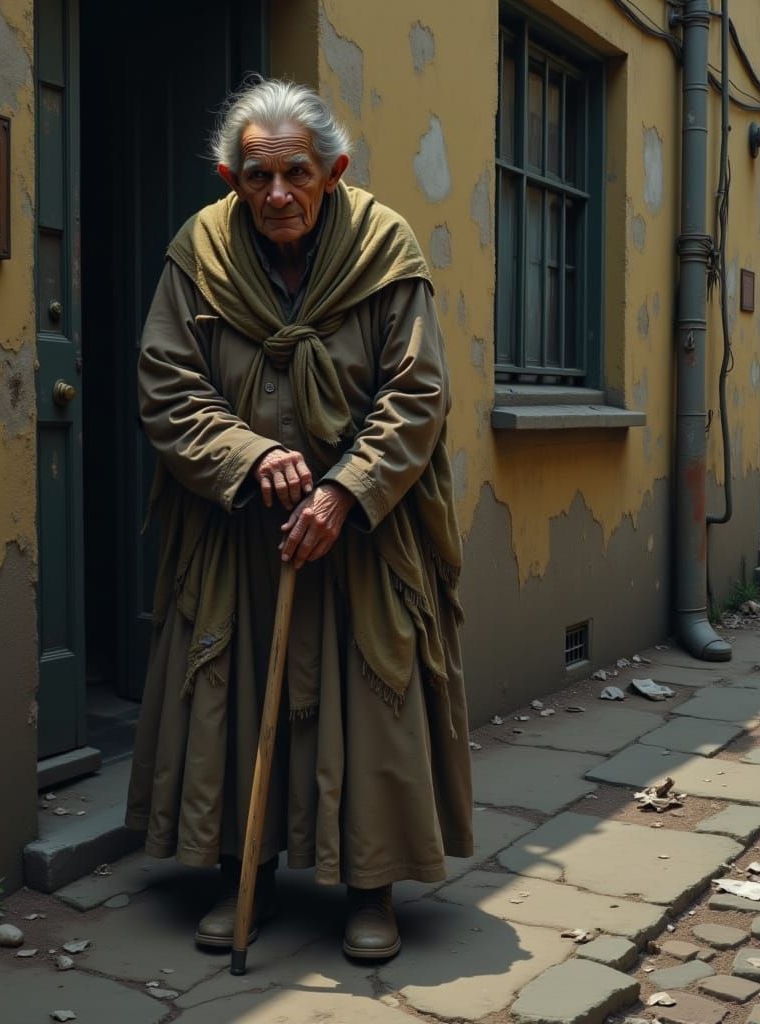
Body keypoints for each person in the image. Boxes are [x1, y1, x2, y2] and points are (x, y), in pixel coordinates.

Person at [125, 77, 472, 961]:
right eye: (256, 177)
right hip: (237, 529)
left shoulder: (385, 248)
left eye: (296, 174)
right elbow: (168, 385)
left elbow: (418, 392)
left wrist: (345, 488)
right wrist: (248, 456)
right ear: (228, 177)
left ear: (334, 170)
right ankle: (245, 877)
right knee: (235, 700)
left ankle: (372, 889)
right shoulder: (195, 255)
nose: (277, 195)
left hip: (363, 531)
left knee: (373, 703)